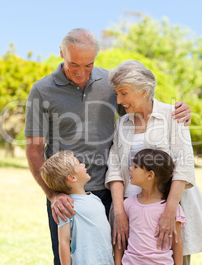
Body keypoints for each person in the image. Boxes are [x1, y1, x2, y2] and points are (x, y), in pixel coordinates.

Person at [24, 28, 192, 264]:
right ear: (61, 52)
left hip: (111, 192)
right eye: (74, 65)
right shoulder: (42, 91)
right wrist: (53, 195)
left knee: (110, 258)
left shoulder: (110, 83)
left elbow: (141, 105)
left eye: (88, 65)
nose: (81, 73)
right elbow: (34, 149)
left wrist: (180, 110)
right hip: (67, 195)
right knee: (69, 257)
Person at [105, 60, 202, 265]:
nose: (119, 100)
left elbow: (184, 167)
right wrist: (119, 213)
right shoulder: (122, 124)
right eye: (117, 93)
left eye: (124, 93)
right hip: (129, 212)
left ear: (144, 91)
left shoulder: (173, 115)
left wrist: (169, 212)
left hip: (168, 207)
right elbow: (115, 169)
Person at [40, 150, 114, 265]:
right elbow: (63, 241)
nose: (83, 165)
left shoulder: (95, 199)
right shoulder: (67, 206)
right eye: (79, 163)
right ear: (72, 178)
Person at [119, 149, 186, 265]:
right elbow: (120, 240)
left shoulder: (171, 209)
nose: (130, 168)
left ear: (150, 175)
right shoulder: (128, 204)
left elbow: (177, 242)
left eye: (135, 167)